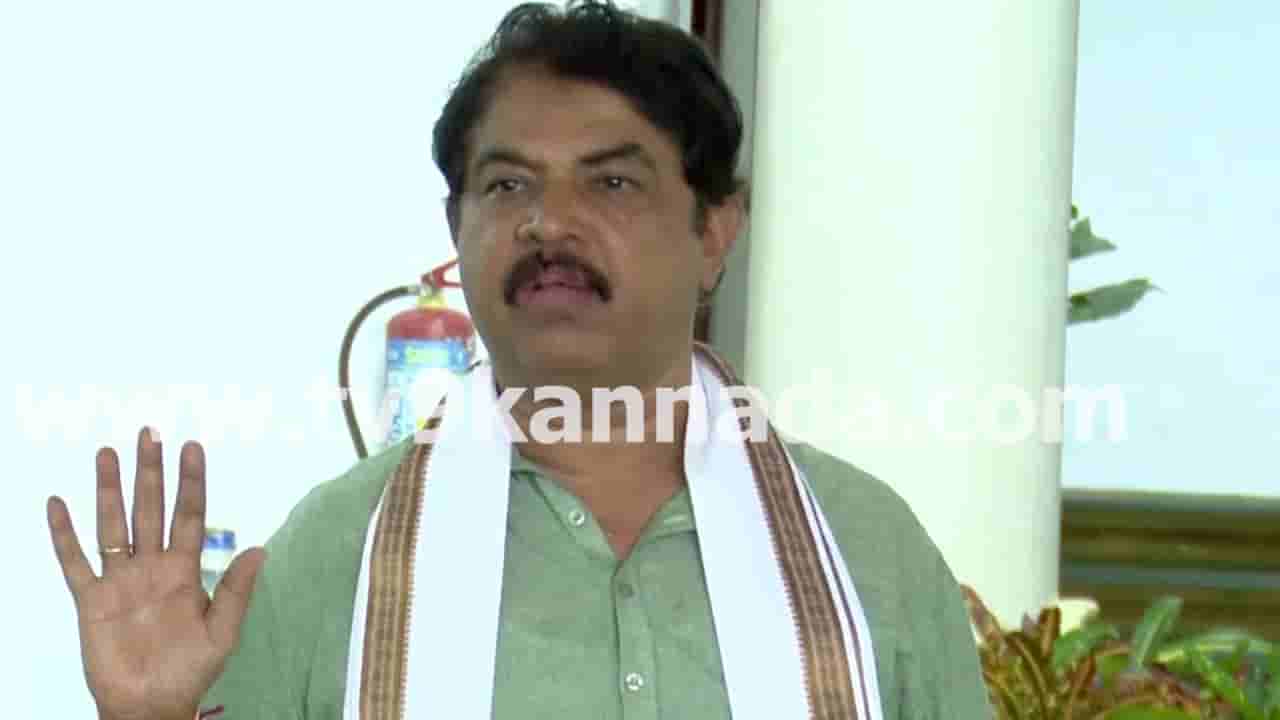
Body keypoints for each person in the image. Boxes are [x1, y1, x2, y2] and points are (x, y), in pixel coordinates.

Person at [46, 2, 993, 719]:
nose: (548, 224)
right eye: (506, 185)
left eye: (611, 181)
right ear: (456, 228)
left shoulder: (868, 555)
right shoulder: (336, 555)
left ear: (714, 231)